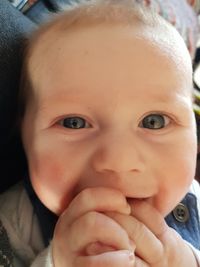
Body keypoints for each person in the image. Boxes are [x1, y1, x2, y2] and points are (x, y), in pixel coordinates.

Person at [0, 0, 200, 266]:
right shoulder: (14, 222)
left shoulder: (195, 198)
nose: (119, 161)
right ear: (23, 134)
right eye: (74, 122)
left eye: (154, 121)